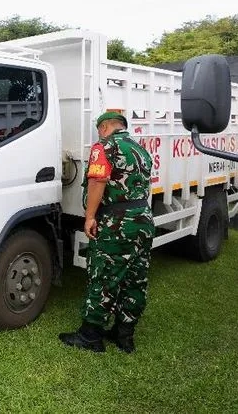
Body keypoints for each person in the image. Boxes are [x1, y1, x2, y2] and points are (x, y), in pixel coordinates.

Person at [58, 111, 155, 353]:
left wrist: (90, 216)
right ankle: (124, 336)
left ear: (104, 127)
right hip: (142, 220)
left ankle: (91, 336)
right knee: (135, 278)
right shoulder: (140, 150)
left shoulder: (104, 147)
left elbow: (97, 182)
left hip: (116, 222)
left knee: (104, 276)